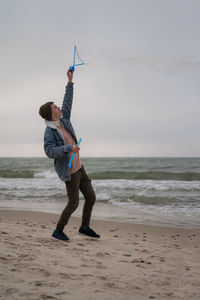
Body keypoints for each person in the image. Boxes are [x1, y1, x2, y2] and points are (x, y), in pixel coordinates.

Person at [39, 69, 100, 241]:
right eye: (55, 108)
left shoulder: (64, 119)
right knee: (73, 203)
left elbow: (68, 101)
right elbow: (49, 152)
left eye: (57, 106)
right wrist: (68, 148)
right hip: (69, 171)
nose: (58, 107)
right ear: (51, 115)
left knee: (91, 197)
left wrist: (70, 81)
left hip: (79, 167)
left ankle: (84, 227)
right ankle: (58, 231)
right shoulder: (49, 131)